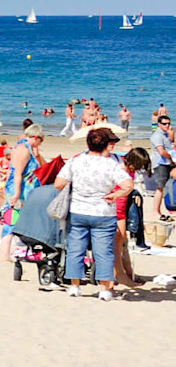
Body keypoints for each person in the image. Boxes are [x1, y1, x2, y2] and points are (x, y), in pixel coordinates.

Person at [54, 127, 130, 300]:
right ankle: (104, 288)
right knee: (103, 251)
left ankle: (74, 285)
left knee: (75, 249)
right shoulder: (111, 164)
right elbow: (128, 185)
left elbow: (58, 184)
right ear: (105, 145)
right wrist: (115, 194)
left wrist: (75, 187)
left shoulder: (76, 161)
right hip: (103, 211)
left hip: (78, 209)